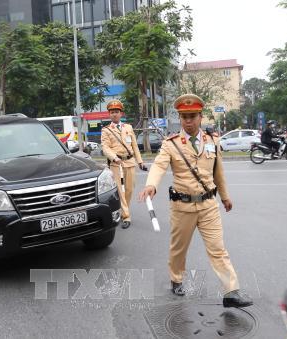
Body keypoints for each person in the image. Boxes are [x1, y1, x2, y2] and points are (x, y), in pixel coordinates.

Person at [138, 93, 252, 308]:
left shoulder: (213, 140)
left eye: (192, 116)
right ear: (180, 118)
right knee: (179, 248)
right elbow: (160, 165)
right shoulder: (171, 144)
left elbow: (219, 172)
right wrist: (151, 184)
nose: (188, 121)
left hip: (209, 205)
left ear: (201, 117)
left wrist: (225, 197)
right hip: (183, 207)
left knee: (218, 249)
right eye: (184, 117)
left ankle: (231, 292)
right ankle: (176, 278)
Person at [101, 99, 146, 229]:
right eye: (112, 112)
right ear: (109, 115)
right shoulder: (106, 130)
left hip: (130, 162)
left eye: (117, 112)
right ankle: (126, 216)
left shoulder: (128, 127)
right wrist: (114, 158)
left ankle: (122, 209)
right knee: (120, 191)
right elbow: (105, 148)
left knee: (130, 189)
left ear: (121, 114)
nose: (114, 114)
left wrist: (140, 161)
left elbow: (135, 146)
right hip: (116, 164)